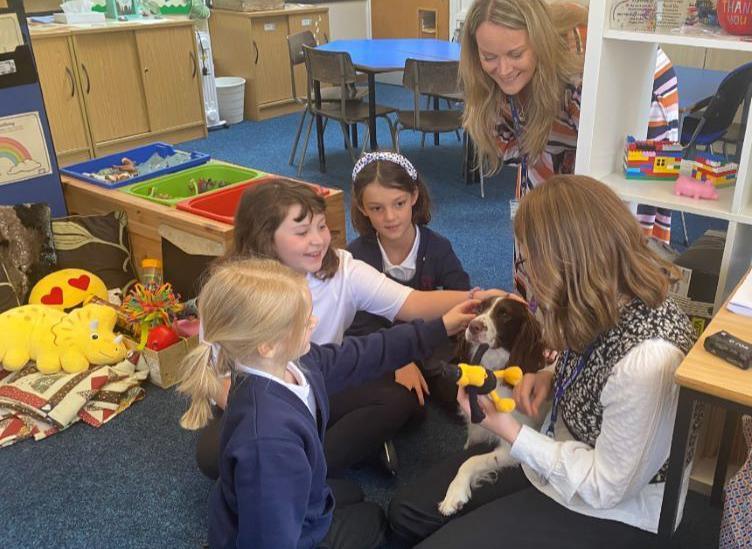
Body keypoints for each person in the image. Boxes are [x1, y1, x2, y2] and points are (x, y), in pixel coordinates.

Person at [388, 175, 697, 548]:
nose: (526, 272)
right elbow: (591, 366)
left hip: (611, 510)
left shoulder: (649, 362)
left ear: (571, 263)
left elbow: (605, 487)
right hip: (558, 451)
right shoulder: (600, 300)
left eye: (531, 260)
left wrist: (510, 431)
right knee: (405, 514)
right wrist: (550, 375)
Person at [194, 178, 506, 479]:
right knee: (212, 455)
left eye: (321, 227)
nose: (318, 240)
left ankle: (304, 468)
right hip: (263, 402)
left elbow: (413, 302)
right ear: (266, 237)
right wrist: (285, 418)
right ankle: (319, 456)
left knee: (402, 401)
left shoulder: (342, 268)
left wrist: (477, 299)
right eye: (302, 232)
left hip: (324, 381)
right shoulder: (231, 290)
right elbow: (221, 383)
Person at [177, 258, 476, 548]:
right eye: (303, 320)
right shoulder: (267, 440)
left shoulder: (296, 362)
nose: (314, 321)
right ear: (267, 345)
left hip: (294, 497)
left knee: (353, 495)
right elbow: (270, 538)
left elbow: (367, 353)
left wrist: (440, 327)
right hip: (276, 531)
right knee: (373, 521)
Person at [459, 0, 681, 298]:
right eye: (489, 57)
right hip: (553, 105)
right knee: (540, 221)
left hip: (629, 91)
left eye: (515, 54)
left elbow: (608, 198)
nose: (503, 69)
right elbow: (526, 160)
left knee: (604, 250)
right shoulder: (494, 81)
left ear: (539, 42)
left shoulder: (584, 79)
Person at [345, 152, 472, 407]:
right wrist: (398, 359)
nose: (390, 217)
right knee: (403, 404)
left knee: (463, 393)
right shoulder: (356, 256)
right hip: (380, 348)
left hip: (430, 344)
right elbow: (358, 325)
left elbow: (460, 295)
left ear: (414, 196)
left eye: (399, 203)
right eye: (377, 208)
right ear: (362, 208)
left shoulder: (437, 247)